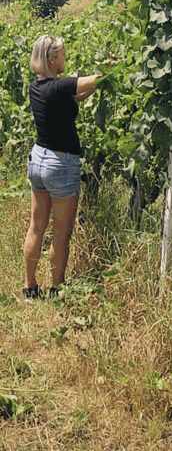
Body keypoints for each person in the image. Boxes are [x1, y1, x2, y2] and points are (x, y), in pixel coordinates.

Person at [23, 35, 101, 299]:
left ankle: (30, 287)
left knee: (36, 227)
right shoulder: (58, 87)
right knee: (60, 233)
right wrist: (111, 69)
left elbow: (77, 94)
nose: (67, 58)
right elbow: (85, 82)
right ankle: (57, 290)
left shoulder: (39, 87)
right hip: (60, 164)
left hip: (38, 160)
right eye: (64, 54)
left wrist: (99, 83)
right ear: (52, 59)